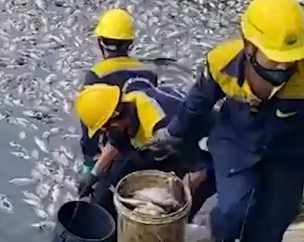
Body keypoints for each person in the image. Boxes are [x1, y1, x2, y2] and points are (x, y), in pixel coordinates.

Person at [155, 0, 304, 242]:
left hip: (290, 152)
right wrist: (172, 136)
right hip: (237, 144)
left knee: (272, 227)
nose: (281, 64)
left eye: (288, 58)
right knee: (233, 209)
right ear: (249, 45)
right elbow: (196, 105)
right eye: (272, 55)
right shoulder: (221, 63)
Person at [74, 79, 215, 223]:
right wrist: (93, 174)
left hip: (204, 155)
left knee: (179, 212)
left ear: (115, 120)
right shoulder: (126, 104)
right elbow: (115, 142)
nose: (106, 132)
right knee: (107, 186)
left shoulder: (167, 125)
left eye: (106, 128)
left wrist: (174, 206)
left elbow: (198, 171)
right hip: (158, 147)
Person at [80, 8, 160, 180]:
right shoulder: (149, 72)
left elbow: (89, 123)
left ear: (100, 42)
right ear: (130, 43)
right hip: (144, 145)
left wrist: (89, 160)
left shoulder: (96, 75)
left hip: (113, 149)